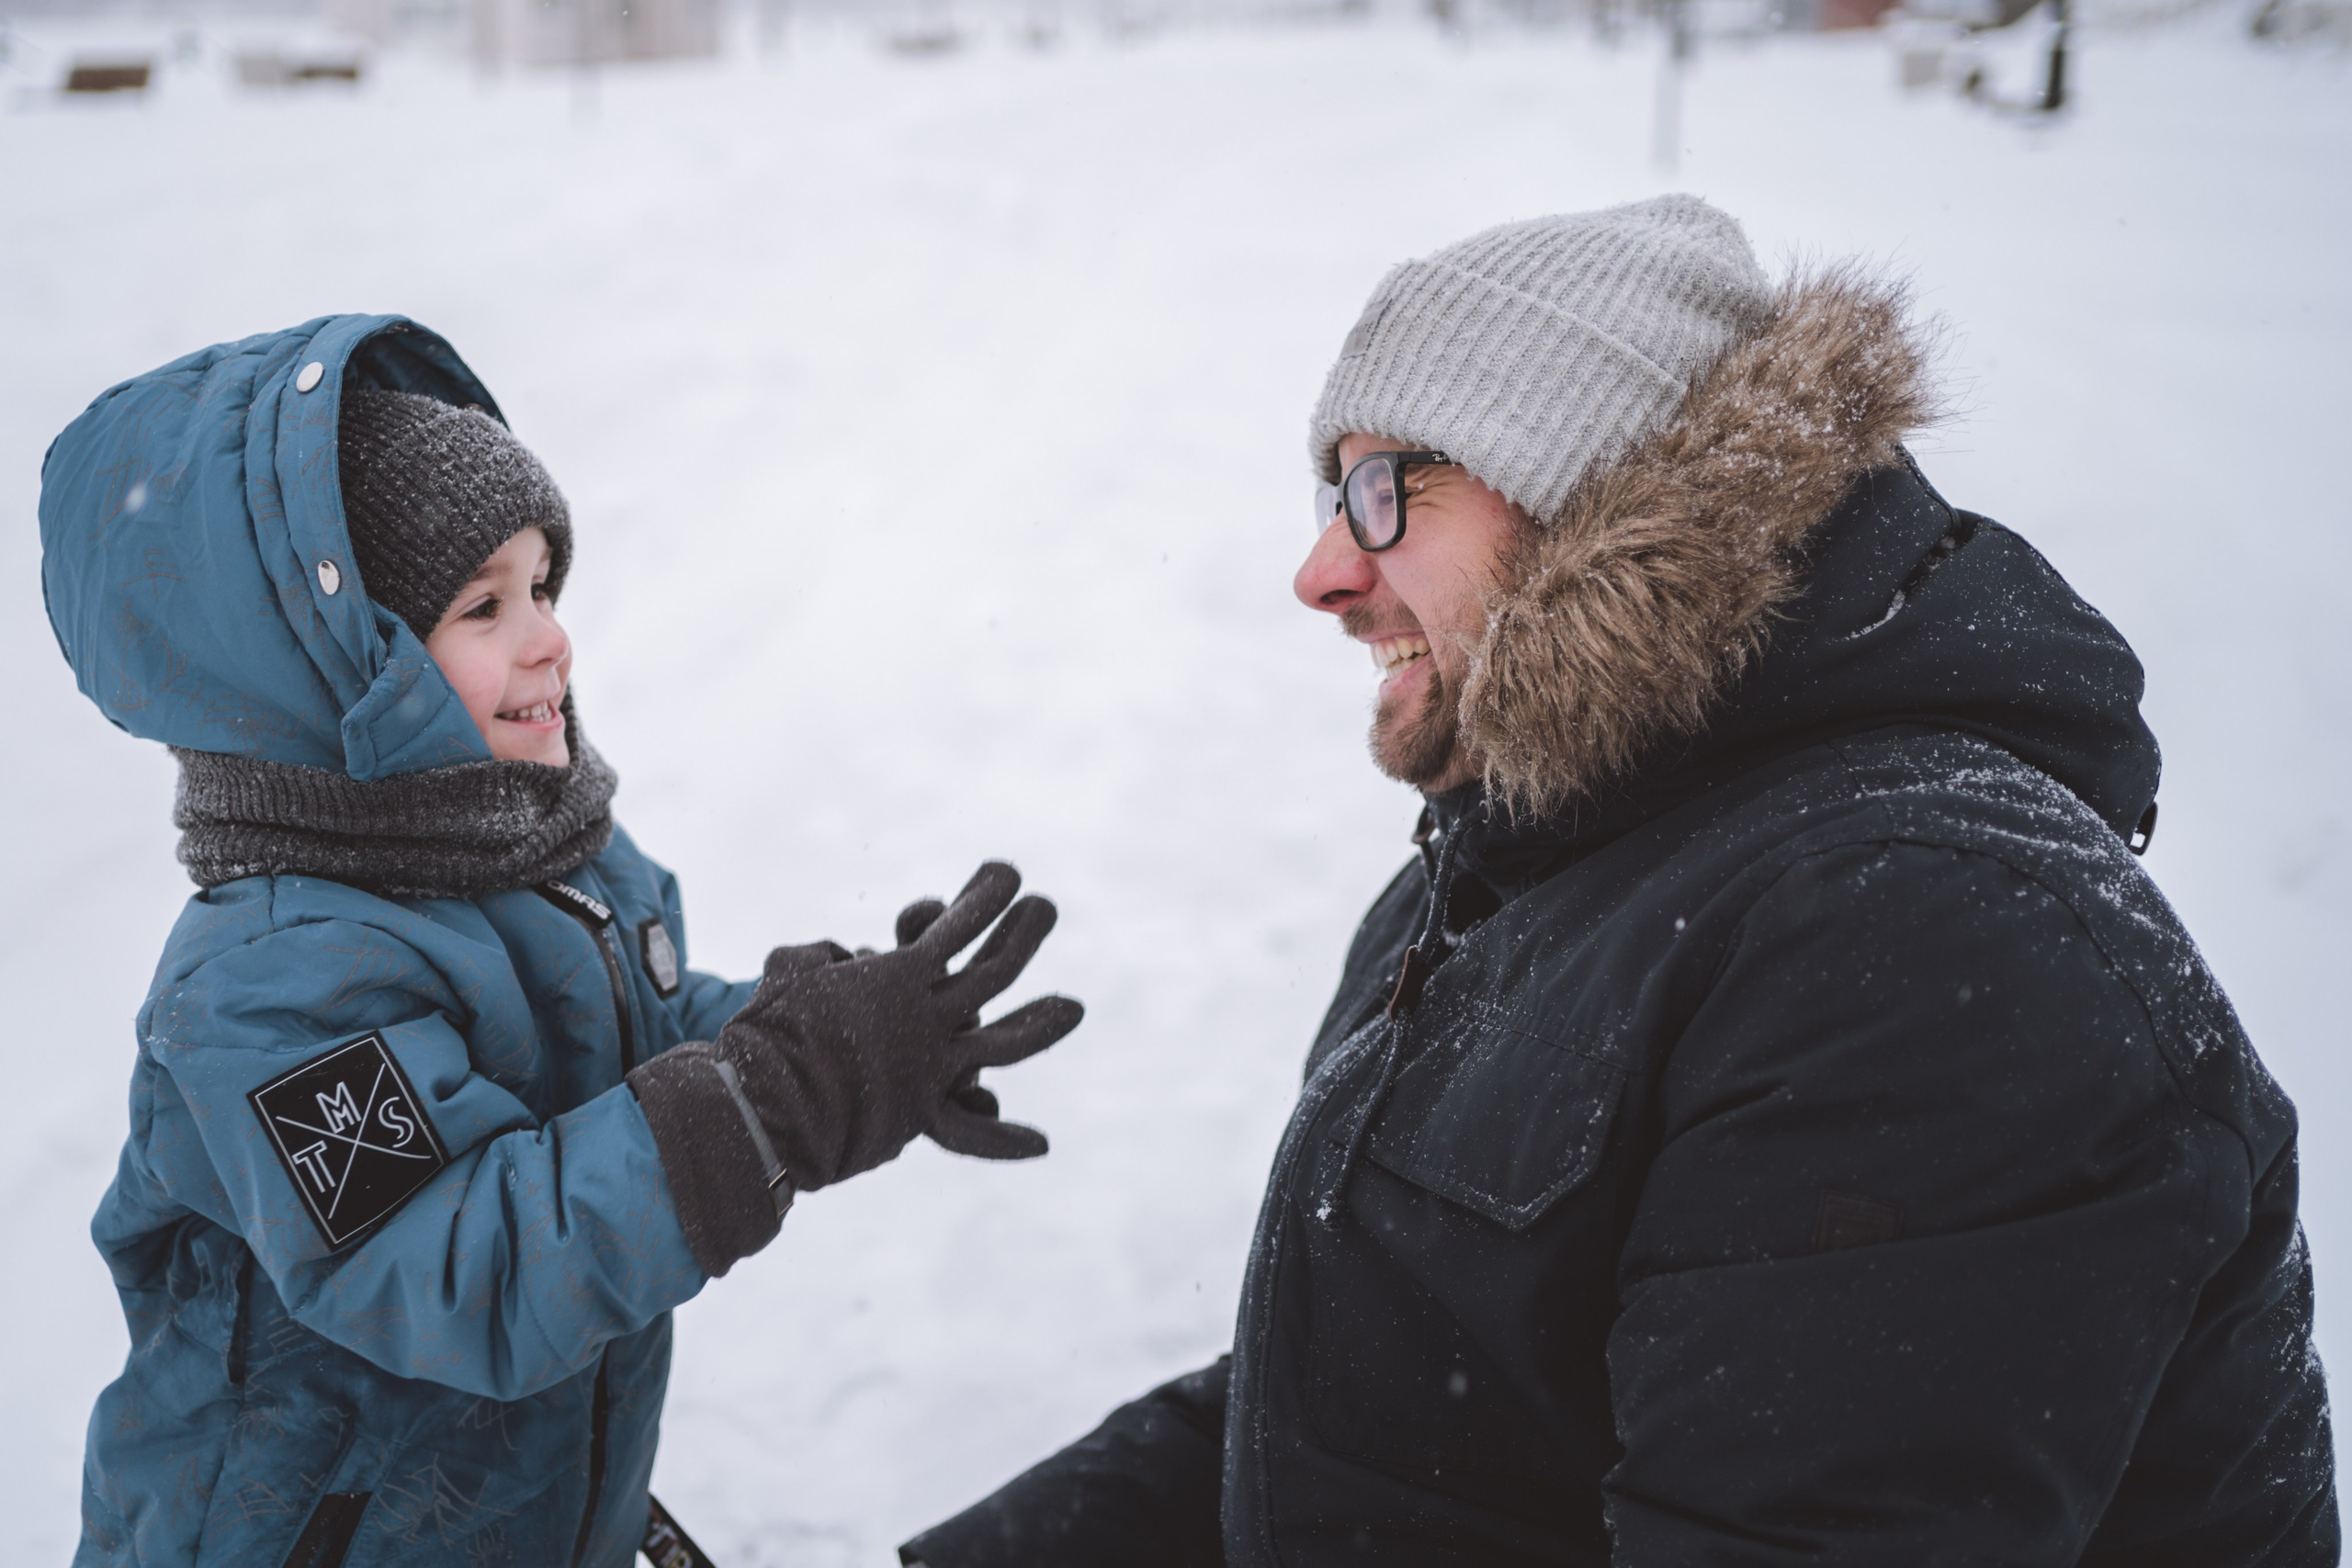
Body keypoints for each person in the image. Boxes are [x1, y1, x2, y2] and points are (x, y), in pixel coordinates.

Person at [901, 197, 2337, 1565]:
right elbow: (1392, 1417)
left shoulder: (1919, 945)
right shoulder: (1527, 860)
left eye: (1386, 489)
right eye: (1330, 494)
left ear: (1595, 490)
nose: (1322, 571)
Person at [39, 316, 1082, 1568]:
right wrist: (776, 1096)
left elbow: (623, 1049)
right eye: (483, 608)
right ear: (339, 674)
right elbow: (463, 1263)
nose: (550, 638)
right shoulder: (274, 983)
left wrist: (841, 1037)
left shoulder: (532, 848)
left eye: (544, 585)